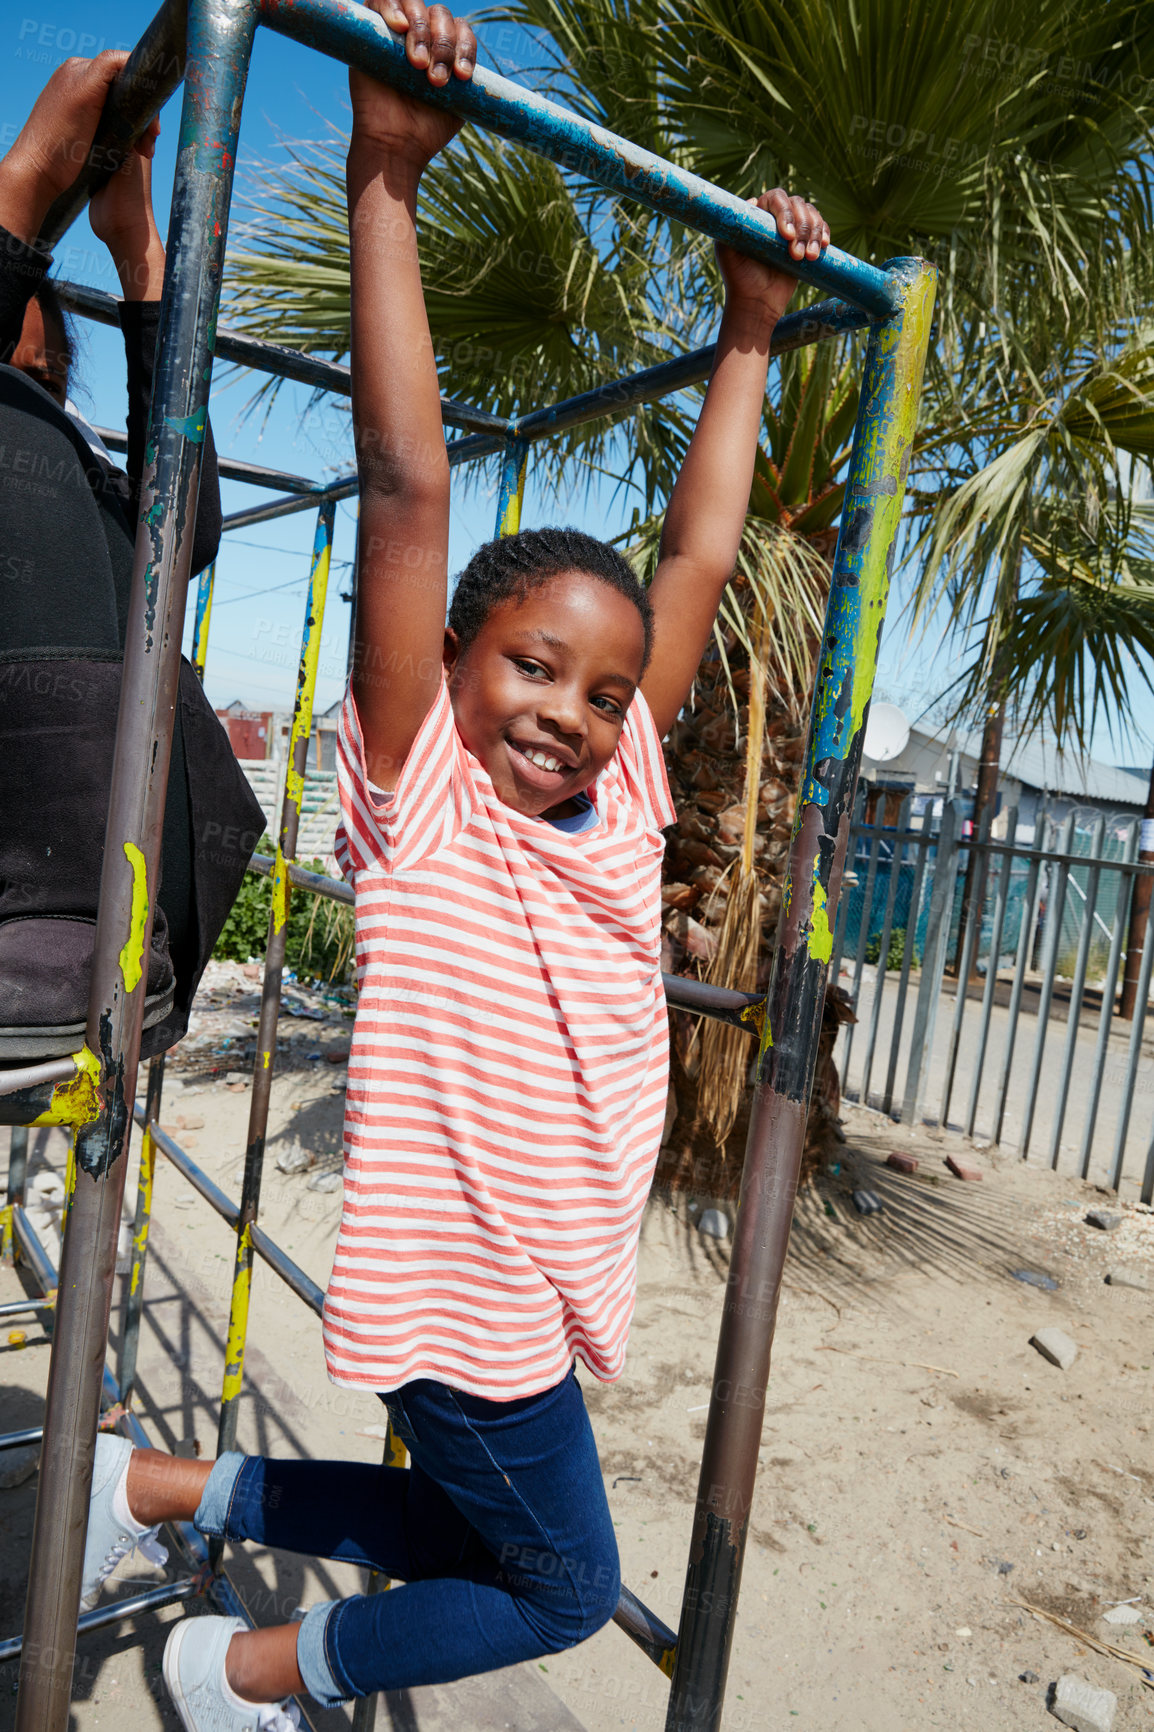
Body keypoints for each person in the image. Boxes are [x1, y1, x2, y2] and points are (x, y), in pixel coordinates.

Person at [79, 4, 830, 1725]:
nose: (564, 711)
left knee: (441, 1516)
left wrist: (749, 329)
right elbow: (406, 486)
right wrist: (384, 183)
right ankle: (244, 1671)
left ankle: (150, 1491)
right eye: (524, 665)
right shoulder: (422, 792)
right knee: (558, 1586)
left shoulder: (626, 788)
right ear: (449, 662)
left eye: (593, 684)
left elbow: (702, 545)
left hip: (532, 1280)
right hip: (470, 1288)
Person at [0, 54, 263, 1062]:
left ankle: (81, 905)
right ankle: (63, 906)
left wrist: (140, 256)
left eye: (41, 376)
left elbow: (182, 537)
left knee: (133, 503)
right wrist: (26, 178)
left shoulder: (49, 487)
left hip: (107, 866)